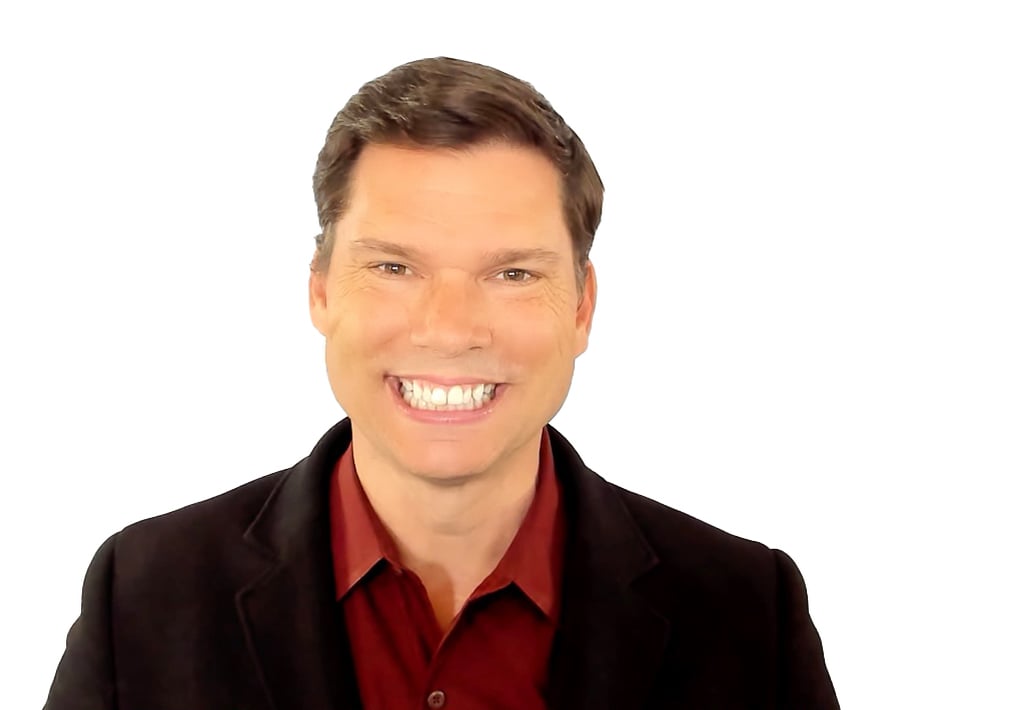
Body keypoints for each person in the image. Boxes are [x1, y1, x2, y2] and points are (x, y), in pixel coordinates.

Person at [44, 56, 839, 710]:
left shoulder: (745, 613)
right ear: (319, 291)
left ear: (582, 307)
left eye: (512, 273)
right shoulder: (144, 595)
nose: (449, 328)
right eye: (393, 267)